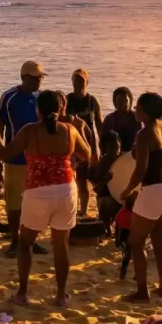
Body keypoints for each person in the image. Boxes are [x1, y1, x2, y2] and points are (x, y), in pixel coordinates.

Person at [0, 89, 92, 307]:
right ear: (61, 109)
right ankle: (61, 295)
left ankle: (22, 293)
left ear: (38, 110)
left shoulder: (30, 131)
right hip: (66, 189)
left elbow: (4, 154)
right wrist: (82, 129)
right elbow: (88, 155)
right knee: (60, 245)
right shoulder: (69, 130)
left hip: (38, 191)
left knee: (25, 243)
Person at [119, 92, 162, 302]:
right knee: (159, 239)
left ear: (145, 111)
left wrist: (128, 190)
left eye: (137, 107)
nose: (135, 110)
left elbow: (141, 169)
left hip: (154, 188)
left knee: (136, 243)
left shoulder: (145, 134)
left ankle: (142, 292)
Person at [0, 61, 48, 258]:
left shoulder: (41, 98)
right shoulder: (9, 97)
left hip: (37, 158)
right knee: (14, 202)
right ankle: (16, 239)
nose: (39, 80)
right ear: (24, 77)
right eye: (35, 77)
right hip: (14, 159)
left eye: (40, 77)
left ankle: (32, 239)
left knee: (36, 202)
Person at [66, 69, 103, 217]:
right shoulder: (67, 100)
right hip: (70, 145)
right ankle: (71, 209)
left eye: (82, 80)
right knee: (69, 180)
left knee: (84, 180)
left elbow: (99, 126)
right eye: (76, 80)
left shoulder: (92, 101)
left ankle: (83, 210)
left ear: (87, 82)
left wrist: (100, 149)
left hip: (88, 145)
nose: (79, 83)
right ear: (72, 81)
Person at [57, 89, 98, 218]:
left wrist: (94, 154)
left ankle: (84, 211)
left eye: (63, 100)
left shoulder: (74, 119)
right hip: (60, 160)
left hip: (77, 155)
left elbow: (90, 135)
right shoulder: (50, 121)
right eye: (58, 101)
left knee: (82, 183)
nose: (61, 104)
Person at [102, 87, 140, 153]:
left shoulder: (137, 119)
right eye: (120, 101)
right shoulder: (109, 119)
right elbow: (102, 142)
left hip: (132, 155)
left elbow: (142, 139)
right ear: (115, 103)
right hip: (114, 156)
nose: (123, 104)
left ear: (130, 102)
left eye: (126, 101)